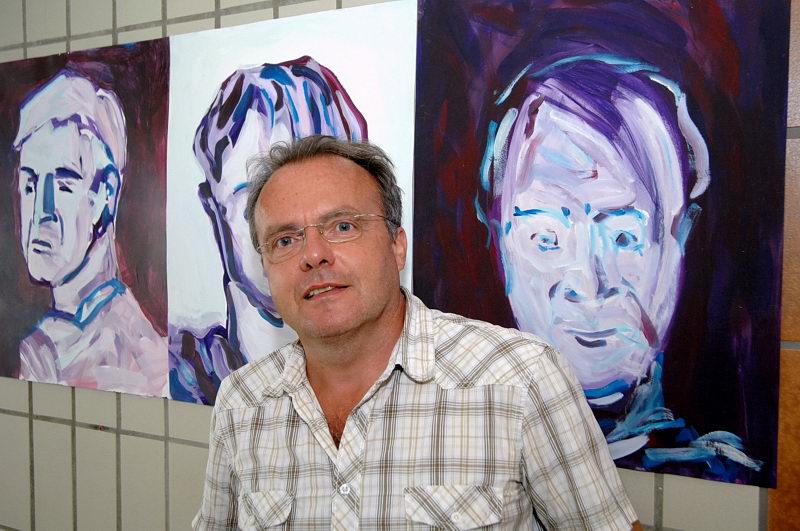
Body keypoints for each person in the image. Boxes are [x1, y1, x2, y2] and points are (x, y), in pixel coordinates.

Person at [194, 135, 638, 529]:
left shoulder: (522, 380)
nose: (313, 255)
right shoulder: (242, 402)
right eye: (285, 240)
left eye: (343, 226)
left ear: (397, 245)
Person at [476, 56, 761, 477]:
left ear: (679, 240)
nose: (590, 285)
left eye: (624, 238)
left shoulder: (720, 470)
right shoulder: (465, 447)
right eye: (546, 239)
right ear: (502, 242)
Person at [170, 56, 368, 404]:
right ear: (215, 214)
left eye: (333, 214)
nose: (311, 249)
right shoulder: (183, 373)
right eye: (255, 198)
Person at [14, 69, 166, 396]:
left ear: (105, 196)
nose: (41, 212)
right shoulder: (40, 347)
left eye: (64, 185)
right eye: (30, 185)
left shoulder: (135, 359)